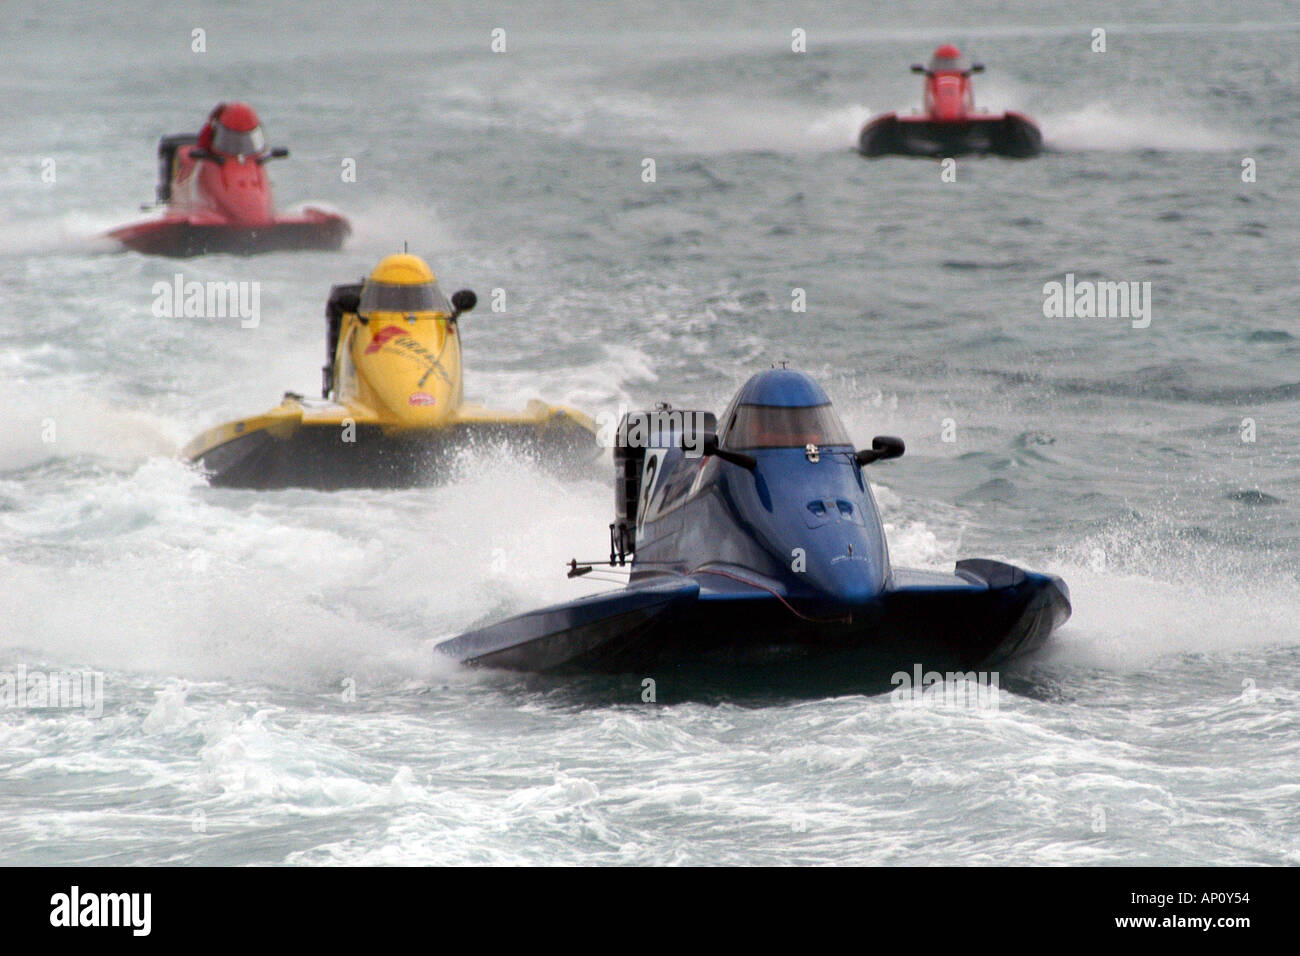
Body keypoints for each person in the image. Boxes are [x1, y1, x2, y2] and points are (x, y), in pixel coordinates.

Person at [196, 102, 268, 159]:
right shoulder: (210, 128)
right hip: (216, 159)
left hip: (241, 160)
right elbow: (202, 147)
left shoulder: (243, 138)